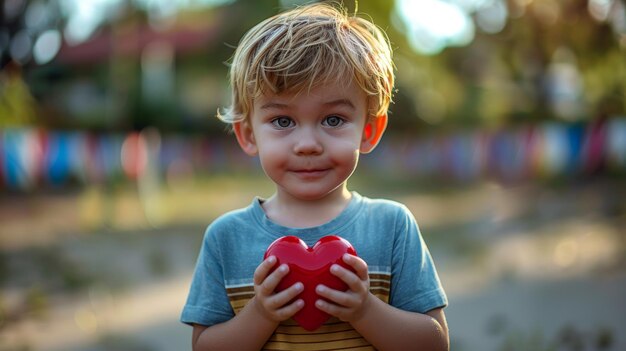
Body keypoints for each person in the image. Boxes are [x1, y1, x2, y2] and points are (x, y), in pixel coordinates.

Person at [181, 2, 449, 350]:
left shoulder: (392, 226)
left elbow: (435, 343)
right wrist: (261, 313)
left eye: (333, 119)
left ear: (369, 130)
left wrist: (365, 309)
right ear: (247, 134)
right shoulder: (226, 238)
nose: (307, 144)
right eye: (283, 121)